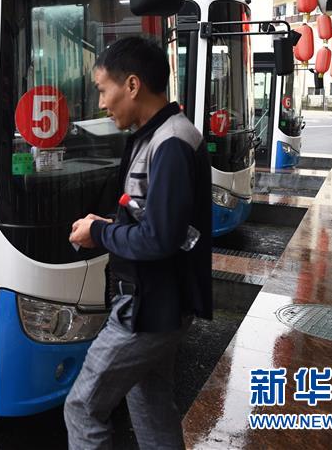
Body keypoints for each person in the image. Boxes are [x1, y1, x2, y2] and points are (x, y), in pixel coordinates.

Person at [65, 36, 213, 450]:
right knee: (151, 407)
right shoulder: (158, 136)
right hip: (157, 303)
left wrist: (98, 233)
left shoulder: (171, 144)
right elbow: (151, 217)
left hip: (147, 308)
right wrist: (109, 222)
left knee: (81, 407)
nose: (101, 103)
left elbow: (160, 238)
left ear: (132, 85)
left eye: (102, 89)